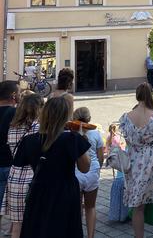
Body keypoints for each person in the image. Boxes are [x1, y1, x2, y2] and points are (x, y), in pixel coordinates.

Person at [13, 96, 91, 238]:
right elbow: (85, 168)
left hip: (39, 190)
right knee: (65, 230)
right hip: (65, 190)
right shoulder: (72, 139)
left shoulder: (29, 140)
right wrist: (82, 139)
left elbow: (20, 164)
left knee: (40, 229)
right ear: (65, 116)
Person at [119, 83, 153, 238]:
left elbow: (128, 142)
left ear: (137, 96)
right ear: (150, 95)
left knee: (138, 206)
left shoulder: (126, 118)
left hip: (135, 162)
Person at [2, 92, 42, 238]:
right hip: (34, 177)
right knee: (36, 223)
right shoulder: (39, 128)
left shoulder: (13, 127)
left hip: (15, 177)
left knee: (17, 225)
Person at [73, 107, 104, 238]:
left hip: (76, 173)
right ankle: (91, 235)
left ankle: (78, 233)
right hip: (92, 172)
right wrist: (98, 169)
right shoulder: (96, 134)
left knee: (77, 208)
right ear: (89, 119)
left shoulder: (71, 134)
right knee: (90, 207)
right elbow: (101, 156)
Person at [0, 81, 18, 233]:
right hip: (9, 164)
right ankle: (13, 232)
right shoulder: (14, 113)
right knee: (16, 206)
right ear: (13, 95)